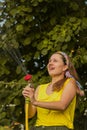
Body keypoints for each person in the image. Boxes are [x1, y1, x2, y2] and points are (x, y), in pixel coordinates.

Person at [22, 51, 84, 130]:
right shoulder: (40, 88)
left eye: (55, 61)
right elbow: (30, 114)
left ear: (65, 67)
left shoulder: (70, 83)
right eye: (49, 61)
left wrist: (35, 102)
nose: (50, 63)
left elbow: (62, 105)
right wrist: (29, 98)